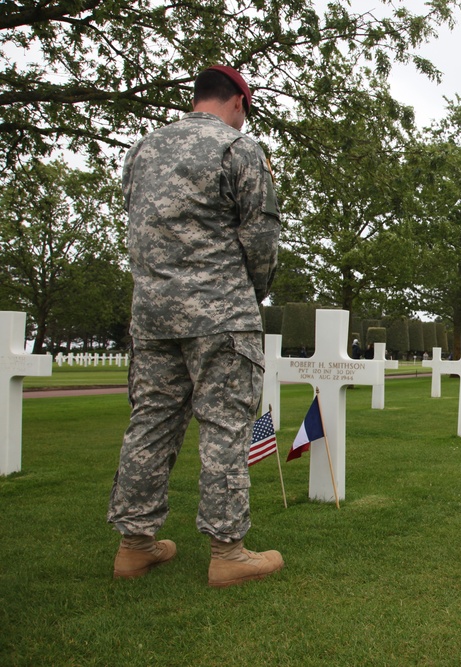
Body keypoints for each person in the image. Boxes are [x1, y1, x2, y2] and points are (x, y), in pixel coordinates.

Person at [107, 65, 283, 588]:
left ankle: (134, 547)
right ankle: (228, 552)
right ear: (238, 104)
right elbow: (261, 238)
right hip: (220, 314)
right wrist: (248, 294)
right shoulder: (238, 148)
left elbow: (138, 227)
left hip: (153, 314)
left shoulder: (143, 151)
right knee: (226, 426)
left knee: (150, 426)